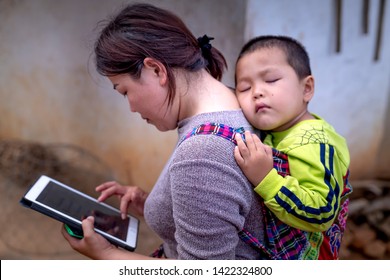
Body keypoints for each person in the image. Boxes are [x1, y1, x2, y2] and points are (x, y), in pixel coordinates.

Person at [61, 3, 266, 260]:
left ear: (156, 70)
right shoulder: (239, 104)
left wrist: (107, 255)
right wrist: (156, 203)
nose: (132, 107)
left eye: (124, 91)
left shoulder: (202, 153)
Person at [233, 35, 353, 259]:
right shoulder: (275, 131)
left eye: (270, 80)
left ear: (306, 88)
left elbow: (321, 212)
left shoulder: (314, 141)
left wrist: (265, 178)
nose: (257, 92)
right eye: (245, 87)